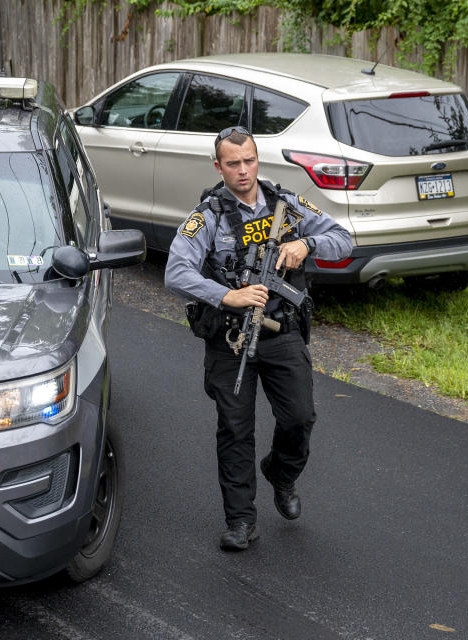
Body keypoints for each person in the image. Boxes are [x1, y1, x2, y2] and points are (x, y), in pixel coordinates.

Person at [164, 126, 352, 551]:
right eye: (233, 163)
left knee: (300, 418)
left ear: (257, 159)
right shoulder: (208, 215)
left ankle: (281, 473)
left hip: (282, 331)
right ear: (218, 166)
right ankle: (241, 520)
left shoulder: (287, 203)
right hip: (231, 337)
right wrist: (229, 295)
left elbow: (344, 240)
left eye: (249, 160)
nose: (243, 170)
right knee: (234, 428)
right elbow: (176, 274)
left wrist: (306, 244)